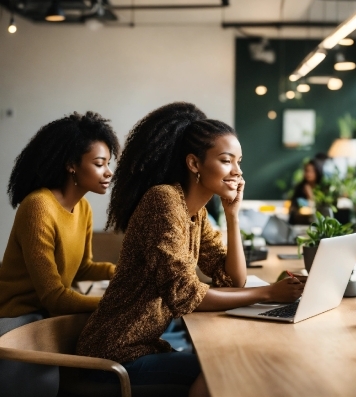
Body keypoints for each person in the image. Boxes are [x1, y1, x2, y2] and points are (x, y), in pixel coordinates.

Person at [76, 102, 304, 397]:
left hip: (140, 348)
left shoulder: (196, 213)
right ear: (194, 164)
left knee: (224, 364)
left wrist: (232, 215)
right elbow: (185, 295)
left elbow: (232, 280)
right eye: (226, 161)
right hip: (111, 357)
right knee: (221, 369)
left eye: (239, 161)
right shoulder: (163, 201)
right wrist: (270, 293)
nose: (237, 171)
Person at [0, 111, 120, 396]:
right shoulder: (38, 207)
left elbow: (83, 268)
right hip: (17, 323)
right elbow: (53, 295)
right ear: (71, 166)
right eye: (99, 164)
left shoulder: (83, 208)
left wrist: (125, 272)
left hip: (46, 318)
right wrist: (115, 301)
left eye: (108, 164)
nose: (108, 172)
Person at [288, 159, 324, 224]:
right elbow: (293, 208)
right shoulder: (299, 187)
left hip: (317, 222)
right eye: (307, 171)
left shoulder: (323, 188)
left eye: (312, 171)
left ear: (317, 172)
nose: (308, 174)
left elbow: (319, 208)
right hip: (300, 221)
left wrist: (310, 195)